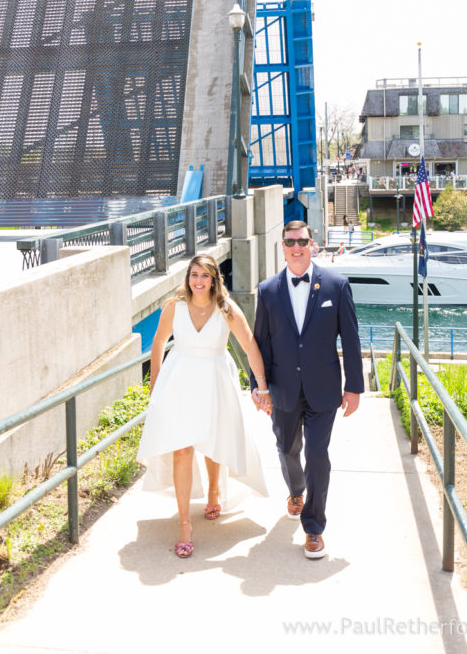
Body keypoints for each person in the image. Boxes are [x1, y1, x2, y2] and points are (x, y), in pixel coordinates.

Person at [137, 254, 271, 559]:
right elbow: (158, 343)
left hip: (214, 378)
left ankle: (213, 493)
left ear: (214, 279)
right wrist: (154, 387)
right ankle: (185, 523)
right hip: (179, 381)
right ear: (188, 277)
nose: (198, 281)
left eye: (205, 276)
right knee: (181, 449)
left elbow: (249, 345)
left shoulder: (226, 309)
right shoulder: (175, 306)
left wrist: (262, 386)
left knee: (214, 441)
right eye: (194, 274)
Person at [252, 220, 364, 559]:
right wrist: (259, 389)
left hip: (324, 389)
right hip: (283, 389)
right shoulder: (268, 290)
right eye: (290, 242)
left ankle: (314, 528)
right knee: (287, 450)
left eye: (302, 241)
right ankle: (295, 491)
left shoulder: (337, 285)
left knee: (317, 454)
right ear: (282, 247)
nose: (296, 247)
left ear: (311, 243)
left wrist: (354, 386)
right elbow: (260, 343)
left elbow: (352, 338)